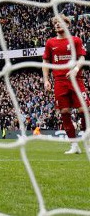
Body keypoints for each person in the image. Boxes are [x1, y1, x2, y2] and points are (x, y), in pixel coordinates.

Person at [42, 14, 87, 155]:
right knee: (64, 113)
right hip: (60, 82)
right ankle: (74, 145)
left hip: (76, 80)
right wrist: (46, 79)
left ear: (67, 25)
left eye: (60, 22)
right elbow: (45, 62)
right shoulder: (50, 42)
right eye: (55, 23)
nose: (57, 24)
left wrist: (75, 69)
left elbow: (82, 58)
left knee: (84, 111)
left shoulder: (76, 40)